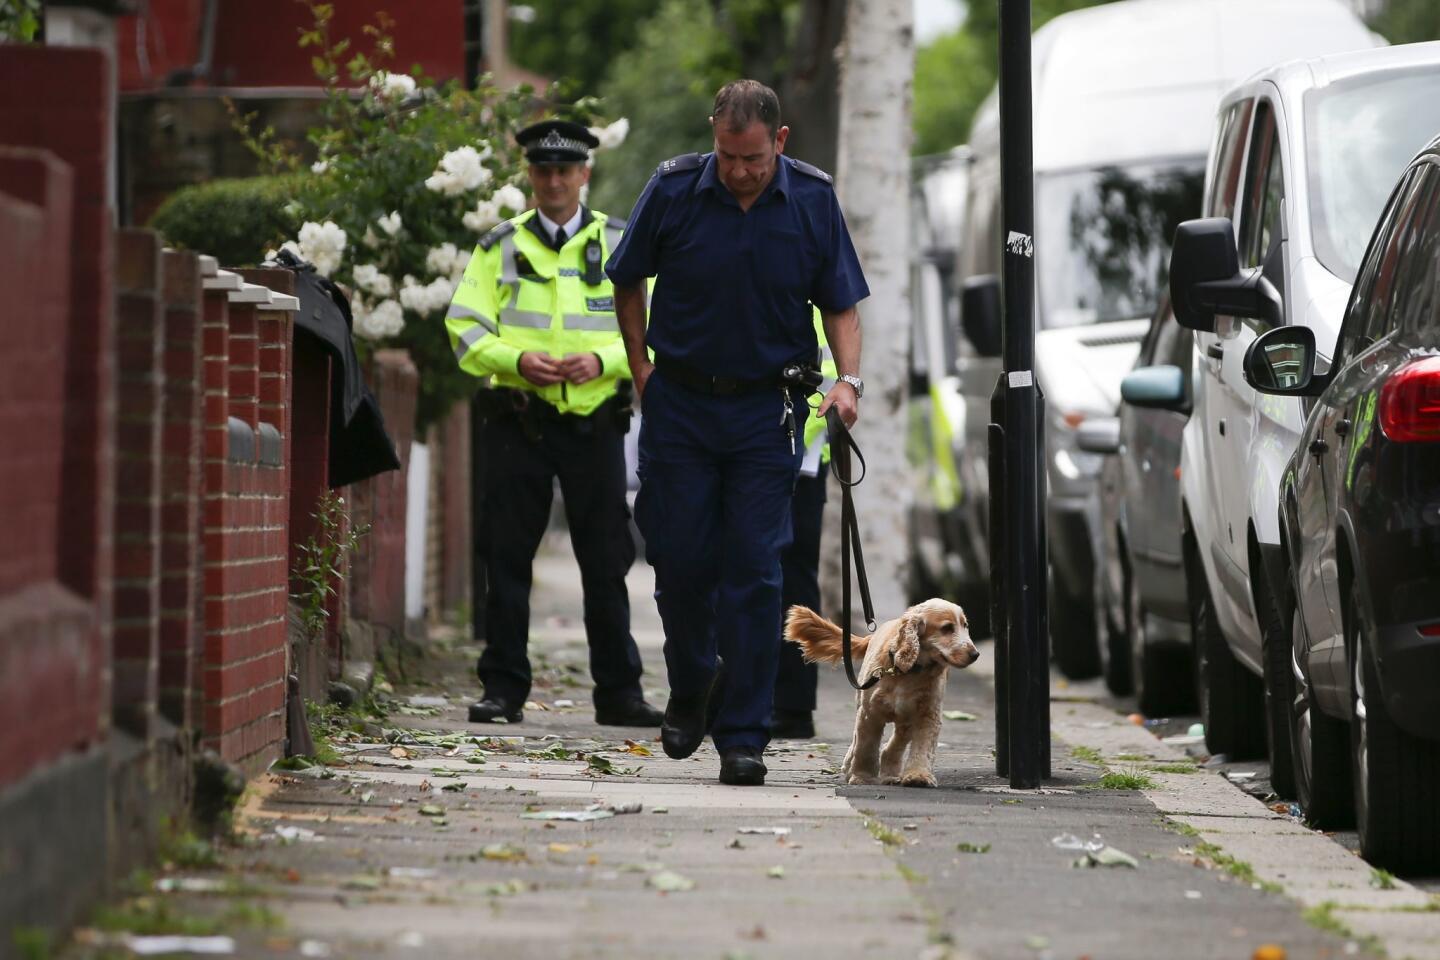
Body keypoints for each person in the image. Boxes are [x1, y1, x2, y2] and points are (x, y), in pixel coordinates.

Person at [606, 80, 869, 785]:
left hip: (765, 413)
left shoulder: (811, 200)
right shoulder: (673, 190)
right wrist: (640, 367)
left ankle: (744, 734)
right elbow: (626, 279)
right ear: (713, 140)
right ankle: (694, 682)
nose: (740, 170)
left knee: (756, 571)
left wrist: (848, 381)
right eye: (728, 156)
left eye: (752, 158)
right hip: (681, 406)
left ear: (778, 142)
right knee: (678, 559)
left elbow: (841, 303)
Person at [445, 118, 663, 729]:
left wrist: (603, 359)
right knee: (507, 557)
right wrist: (516, 360)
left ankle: (619, 693)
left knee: (607, 558)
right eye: (543, 170)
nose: (554, 180)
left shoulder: (622, 243)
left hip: (595, 420)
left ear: (584, 174)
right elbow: (463, 328)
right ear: (531, 176)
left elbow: (656, 331)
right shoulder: (499, 247)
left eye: (565, 170)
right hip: (520, 419)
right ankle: (503, 690)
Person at [772, 310, 837, 741]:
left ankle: (794, 707)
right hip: (752, 447)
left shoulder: (813, 284)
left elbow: (834, 376)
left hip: (803, 456)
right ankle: (727, 695)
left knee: (794, 582)